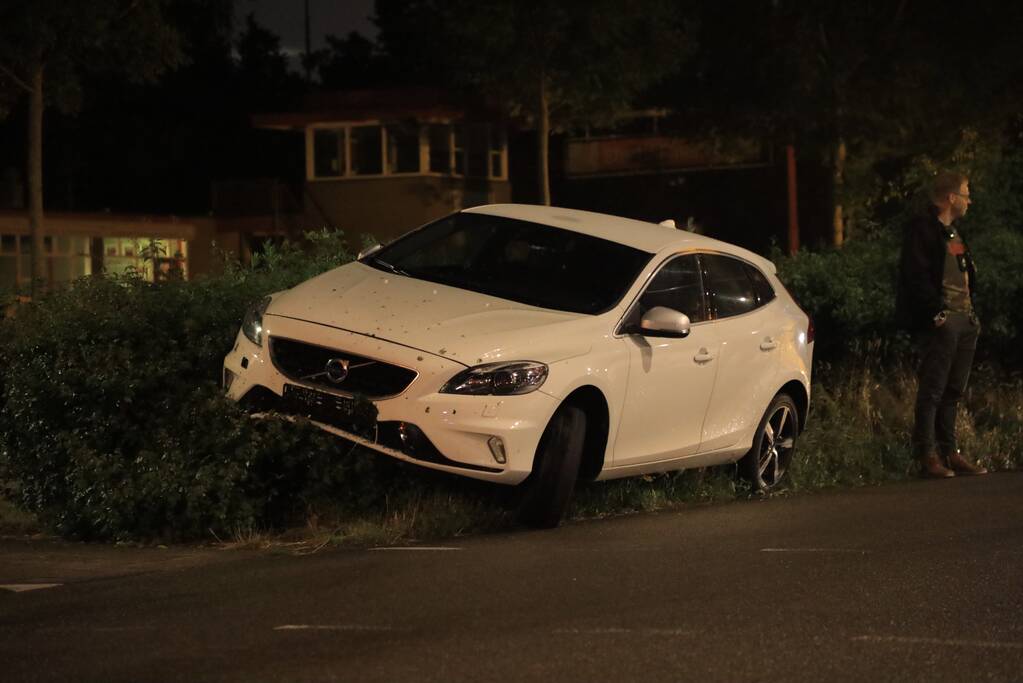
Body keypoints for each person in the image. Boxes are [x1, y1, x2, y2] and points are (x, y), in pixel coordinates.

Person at [897, 171, 988, 478]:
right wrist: (937, 315)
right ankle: (928, 455)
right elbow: (916, 275)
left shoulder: (954, 233)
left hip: (965, 321)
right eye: (966, 193)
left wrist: (971, 315)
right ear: (951, 197)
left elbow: (963, 275)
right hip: (944, 322)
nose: (969, 199)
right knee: (933, 390)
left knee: (953, 390)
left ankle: (950, 452)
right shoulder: (922, 230)